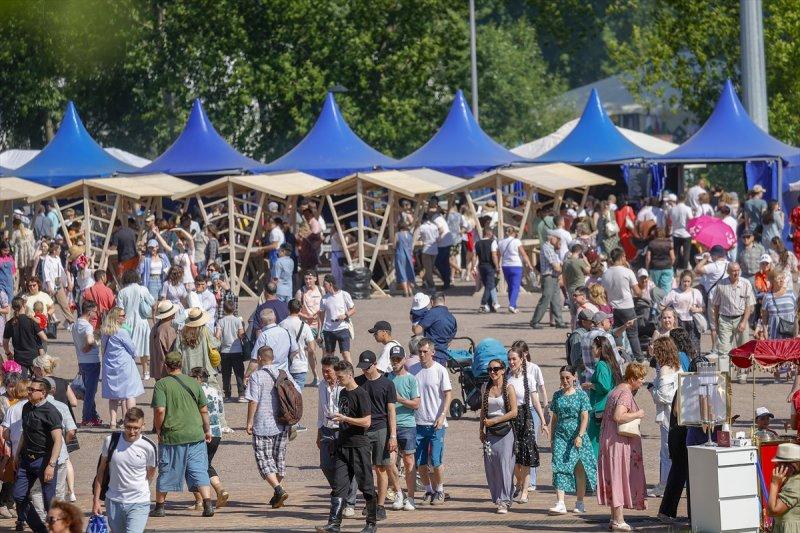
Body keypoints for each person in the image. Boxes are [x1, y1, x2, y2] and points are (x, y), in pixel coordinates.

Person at [150, 350, 214, 518]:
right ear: (181, 364)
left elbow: (160, 410)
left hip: (173, 434)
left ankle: (160, 507)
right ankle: (208, 504)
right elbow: (204, 410)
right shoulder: (194, 383)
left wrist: (158, 428)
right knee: (199, 468)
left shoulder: (162, 384)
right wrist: (207, 430)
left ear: (165, 366)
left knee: (167, 468)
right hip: (195, 433)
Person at [315, 360, 377, 533]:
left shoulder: (361, 394)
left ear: (349, 375)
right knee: (339, 485)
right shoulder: (342, 393)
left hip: (359, 446)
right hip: (342, 445)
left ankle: (371, 523)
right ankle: (334, 524)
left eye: (340, 376)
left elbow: (367, 422)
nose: (338, 379)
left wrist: (345, 419)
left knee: (366, 485)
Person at [597, 362, 648, 532]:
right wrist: (638, 413)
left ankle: (614, 518)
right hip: (617, 442)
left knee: (614, 477)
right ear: (632, 378)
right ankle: (619, 520)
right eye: (640, 379)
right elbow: (619, 416)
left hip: (609, 439)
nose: (642, 382)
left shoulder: (616, 390)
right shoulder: (625, 393)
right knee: (619, 477)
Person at [91, 407, 157, 533]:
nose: (131, 431)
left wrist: (139, 488)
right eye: (128, 427)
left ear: (143, 426)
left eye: (136, 428)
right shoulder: (110, 441)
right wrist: (96, 500)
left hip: (139, 501)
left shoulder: (149, 446)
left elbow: (151, 474)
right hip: (113, 500)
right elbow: (101, 472)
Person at [13, 377, 63, 533]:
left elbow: (58, 441)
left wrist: (51, 464)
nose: (29, 392)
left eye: (33, 390)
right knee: (19, 496)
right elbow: (24, 432)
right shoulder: (26, 407)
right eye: (29, 389)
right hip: (26, 460)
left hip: (44, 460)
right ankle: (40, 529)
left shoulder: (51, 412)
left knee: (49, 502)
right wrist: (16, 454)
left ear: (43, 393)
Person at [245, 346, 292, 509]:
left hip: (263, 423)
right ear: (272, 357)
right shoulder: (283, 373)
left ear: (259, 358)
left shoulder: (256, 376)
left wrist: (249, 422)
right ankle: (277, 493)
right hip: (282, 423)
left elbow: (253, 401)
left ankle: (279, 490)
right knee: (279, 459)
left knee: (263, 459)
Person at [548, 365, 597, 515]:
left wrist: (580, 435)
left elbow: (585, 416)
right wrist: (552, 436)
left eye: (567, 377)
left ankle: (580, 502)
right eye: (562, 378)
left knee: (579, 469)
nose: (565, 380)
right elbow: (555, 418)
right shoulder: (557, 395)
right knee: (559, 467)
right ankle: (560, 502)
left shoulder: (581, 395)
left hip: (577, 436)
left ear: (574, 377)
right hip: (561, 436)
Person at [355, 350, 397, 522]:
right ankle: (369, 501)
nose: (364, 370)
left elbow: (391, 411)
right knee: (363, 469)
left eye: (367, 367)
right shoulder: (358, 382)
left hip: (380, 428)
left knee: (380, 468)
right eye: (362, 367)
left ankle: (380, 506)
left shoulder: (387, 384)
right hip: (362, 430)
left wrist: (393, 435)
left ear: (374, 364)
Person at [409, 338, 452, 506]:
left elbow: (448, 394)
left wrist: (442, 415)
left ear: (432, 352)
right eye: (420, 352)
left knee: (435, 461)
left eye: (425, 352)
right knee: (420, 462)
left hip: (436, 423)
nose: (422, 354)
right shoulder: (412, 370)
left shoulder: (440, 370)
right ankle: (428, 490)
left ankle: (440, 490)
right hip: (418, 423)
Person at [506, 347, 546, 504]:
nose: (511, 362)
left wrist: (543, 420)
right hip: (511, 418)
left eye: (514, 359)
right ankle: (520, 481)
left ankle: (524, 491)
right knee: (514, 458)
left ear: (522, 359)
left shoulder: (528, 377)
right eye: (509, 359)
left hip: (526, 416)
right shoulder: (506, 378)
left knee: (527, 456)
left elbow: (535, 399)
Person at [479, 358, 518, 514]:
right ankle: (500, 495)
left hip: (505, 430)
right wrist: (480, 429)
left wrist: (496, 419)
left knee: (504, 464)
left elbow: (514, 412)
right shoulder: (485, 387)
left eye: (496, 369)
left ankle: (504, 500)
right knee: (491, 465)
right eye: (490, 370)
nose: (493, 372)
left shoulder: (509, 388)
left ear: (503, 370)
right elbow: (483, 409)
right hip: (490, 431)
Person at [189, 367, 229, 510]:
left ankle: (200, 500)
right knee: (206, 464)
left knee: (192, 465)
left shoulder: (194, 392)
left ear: (198, 378)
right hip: (216, 431)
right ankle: (220, 490)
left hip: (201, 433)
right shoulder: (215, 391)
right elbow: (219, 411)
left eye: (191, 377)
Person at [385, 345, 419, 511]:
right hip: (390, 426)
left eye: (398, 359)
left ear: (404, 359)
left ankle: (411, 497)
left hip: (407, 424)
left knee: (408, 461)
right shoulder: (387, 378)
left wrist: (399, 399)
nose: (395, 362)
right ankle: (399, 492)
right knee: (390, 462)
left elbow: (416, 404)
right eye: (393, 359)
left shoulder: (411, 379)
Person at [101, 307, 144, 429]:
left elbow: (103, 349)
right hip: (124, 366)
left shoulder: (105, 331)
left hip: (110, 366)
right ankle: (131, 419)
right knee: (129, 393)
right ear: (116, 318)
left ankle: (113, 422)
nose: (124, 317)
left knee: (113, 396)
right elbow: (133, 350)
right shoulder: (122, 332)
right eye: (122, 315)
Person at [712, 262, 755, 383]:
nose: (736, 273)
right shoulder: (721, 284)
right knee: (724, 350)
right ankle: (725, 376)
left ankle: (742, 375)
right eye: (733, 271)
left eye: (737, 270)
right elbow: (716, 305)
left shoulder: (746, 283)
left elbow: (749, 305)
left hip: (741, 318)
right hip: (724, 319)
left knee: (743, 349)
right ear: (728, 272)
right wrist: (716, 322)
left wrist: (744, 321)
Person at [648, 337, 681, 498]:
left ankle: (665, 485)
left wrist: (652, 390)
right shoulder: (676, 366)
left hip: (668, 413)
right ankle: (666, 482)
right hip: (675, 411)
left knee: (667, 449)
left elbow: (665, 395)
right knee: (669, 449)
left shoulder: (665, 369)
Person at [582, 336, 623, 456]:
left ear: (600, 349)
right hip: (608, 406)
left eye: (593, 348)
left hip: (600, 407)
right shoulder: (610, 363)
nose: (591, 350)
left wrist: (591, 385)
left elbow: (604, 386)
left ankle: (593, 470)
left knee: (592, 442)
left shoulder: (601, 365)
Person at [602, 247, 643, 361]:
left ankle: (620, 357)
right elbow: (638, 292)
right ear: (621, 257)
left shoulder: (606, 273)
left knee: (616, 333)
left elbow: (604, 292)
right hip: (627, 306)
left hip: (613, 307)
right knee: (632, 334)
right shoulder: (627, 272)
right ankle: (639, 359)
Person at [117, 269, 154, 381]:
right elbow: (152, 302)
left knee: (128, 349)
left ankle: (130, 372)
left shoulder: (122, 292)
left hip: (126, 325)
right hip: (142, 323)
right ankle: (146, 371)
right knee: (144, 347)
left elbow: (120, 310)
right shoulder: (143, 289)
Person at [71, 300, 102, 427]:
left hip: (82, 361)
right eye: (95, 311)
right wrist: (92, 344)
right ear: (89, 312)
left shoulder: (75, 324)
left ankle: (93, 416)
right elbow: (89, 340)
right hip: (91, 361)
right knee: (90, 392)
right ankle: (87, 418)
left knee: (89, 390)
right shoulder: (87, 326)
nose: (97, 313)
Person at [247, 308, 299, 381]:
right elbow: (295, 350)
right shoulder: (285, 332)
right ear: (275, 318)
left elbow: (255, 360)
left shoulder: (263, 335)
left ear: (262, 322)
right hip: (284, 374)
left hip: (267, 375)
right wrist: (286, 360)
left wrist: (246, 375)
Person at [661, 270, 704, 353]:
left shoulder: (695, 292)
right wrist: (670, 313)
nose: (686, 284)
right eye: (684, 281)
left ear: (691, 282)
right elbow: (662, 305)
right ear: (680, 280)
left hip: (692, 322)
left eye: (688, 281)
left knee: (694, 346)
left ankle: (695, 363)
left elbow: (703, 308)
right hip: (678, 322)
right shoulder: (674, 292)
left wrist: (697, 309)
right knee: (679, 345)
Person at [530, 231, 566, 328]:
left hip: (554, 277)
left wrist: (560, 267)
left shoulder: (552, 249)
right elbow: (556, 266)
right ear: (552, 238)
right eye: (557, 239)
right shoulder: (547, 248)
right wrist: (561, 269)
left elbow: (559, 264)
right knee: (545, 299)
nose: (558, 241)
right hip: (548, 277)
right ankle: (535, 321)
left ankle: (559, 322)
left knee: (556, 300)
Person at [280, 298, 316, 395]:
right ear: (300, 310)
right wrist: (305, 348)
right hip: (300, 365)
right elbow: (312, 348)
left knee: (286, 395)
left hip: (284, 365)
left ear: (288, 309)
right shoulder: (305, 326)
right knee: (297, 396)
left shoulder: (281, 325)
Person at [4, 297, 47, 376]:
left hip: (19, 358)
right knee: (38, 381)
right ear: (24, 305)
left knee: (22, 383)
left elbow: (5, 342)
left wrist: (8, 353)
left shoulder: (10, 323)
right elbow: (44, 338)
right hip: (34, 357)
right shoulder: (31, 321)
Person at [319, 274, 355, 364]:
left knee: (345, 354)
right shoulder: (324, 299)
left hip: (342, 328)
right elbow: (321, 316)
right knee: (330, 356)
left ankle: (351, 374)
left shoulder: (344, 294)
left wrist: (345, 315)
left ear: (330, 284)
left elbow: (353, 309)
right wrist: (320, 331)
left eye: (325, 284)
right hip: (328, 330)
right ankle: (332, 376)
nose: (323, 287)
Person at [498, 226, 533, 314]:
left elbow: (499, 255)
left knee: (510, 286)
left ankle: (513, 306)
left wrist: (497, 265)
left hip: (505, 265)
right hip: (516, 265)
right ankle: (512, 305)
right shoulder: (516, 241)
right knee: (515, 287)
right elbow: (523, 254)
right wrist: (529, 264)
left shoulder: (501, 242)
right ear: (513, 233)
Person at [216, 300, 246, 401]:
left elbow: (217, 336)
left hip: (225, 351)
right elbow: (241, 335)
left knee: (226, 374)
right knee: (239, 373)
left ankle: (227, 395)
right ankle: (241, 394)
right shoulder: (238, 320)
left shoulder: (221, 321)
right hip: (237, 350)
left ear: (224, 309)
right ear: (234, 309)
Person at [768, 442, 800, 532]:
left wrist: (774, 484)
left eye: (779, 464)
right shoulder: (790, 480)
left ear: (791, 466)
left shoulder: (795, 484)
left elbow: (772, 511)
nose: (776, 466)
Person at [761, 269, 797, 341]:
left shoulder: (791, 293)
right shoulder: (767, 297)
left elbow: (797, 314)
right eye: (779, 278)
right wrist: (764, 330)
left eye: (783, 278)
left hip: (791, 334)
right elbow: (764, 316)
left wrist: (798, 331)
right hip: (774, 335)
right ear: (772, 281)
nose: (781, 280)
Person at [472, 224, 499, 313]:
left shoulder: (477, 243)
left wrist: (473, 267)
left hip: (481, 266)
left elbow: (474, 256)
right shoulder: (493, 242)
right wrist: (497, 266)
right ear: (489, 233)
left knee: (488, 285)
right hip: (490, 266)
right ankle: (483, 304)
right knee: (489, 285)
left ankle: (491, 306)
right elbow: (494, 255)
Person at [149, 301, 178, 382]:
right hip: (165, 371)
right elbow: (172, 351)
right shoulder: (167, 329)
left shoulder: (156, 326)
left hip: (157, 368)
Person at [563, 243, 590, 324]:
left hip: (570, 288)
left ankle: (573, 329)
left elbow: (564, 277)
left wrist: (566, 288)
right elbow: (589, 271)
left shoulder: (566, 262)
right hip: (580, 288)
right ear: (580, 252)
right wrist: (586, 261)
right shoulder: (580, 261)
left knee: (573, 313)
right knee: (582, 310)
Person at [645, 227, 675, 293]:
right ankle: (666, 301)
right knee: (666, 288)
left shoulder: (651, 243)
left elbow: (648, 258)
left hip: (655, 268)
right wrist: (670, 265)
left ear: (655, 234)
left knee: (657, 287)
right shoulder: (669, 243)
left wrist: (647, 268)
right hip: (667, 267)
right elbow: (673, 257)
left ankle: (658, 302)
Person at [669, 194, 693, 270]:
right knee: (686, 253)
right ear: (685, 199)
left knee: (676, 253)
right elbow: (691, 219)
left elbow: (670, 220)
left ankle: (674, 269)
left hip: (676, 233)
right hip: (686, 233)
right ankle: (684, 270)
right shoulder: (688, 208)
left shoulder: (673, 209)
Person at [394, 222, 415, 298]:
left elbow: (394, 245)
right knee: (408, 272)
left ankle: (406, 292)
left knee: (402, 272)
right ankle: (410, 291)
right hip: (409, 255)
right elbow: (412, 246)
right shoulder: (410, 235)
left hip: (400, 254)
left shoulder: (397, 234)